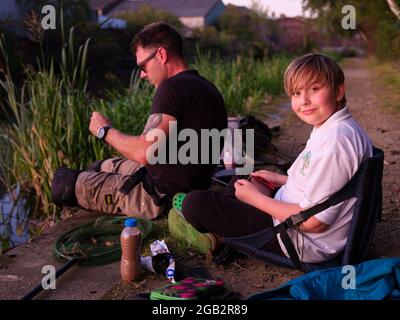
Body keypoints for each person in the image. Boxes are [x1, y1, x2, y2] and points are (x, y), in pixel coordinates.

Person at [172, 53, 373, 263]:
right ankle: (219, 228)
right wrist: (283, 181)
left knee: (195, 203)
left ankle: (212, 232)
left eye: (314, 89)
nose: (304, 101)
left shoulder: (335, 143)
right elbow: (331, 187)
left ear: (339, 90)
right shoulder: (336, 128)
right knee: (242, 181)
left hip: (298, 239)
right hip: (293, 216)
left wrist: (256, 199)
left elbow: (314, 222)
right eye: (296, 93)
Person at [51, 22, 227, 219]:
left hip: (159, 198)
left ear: (161, 55)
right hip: (178, 180)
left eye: (143, 66)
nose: (142, 75)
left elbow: (144, 152)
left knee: (63, 184)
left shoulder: (171, 87)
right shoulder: (206, 87)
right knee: (100, 166)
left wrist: (104, 130)